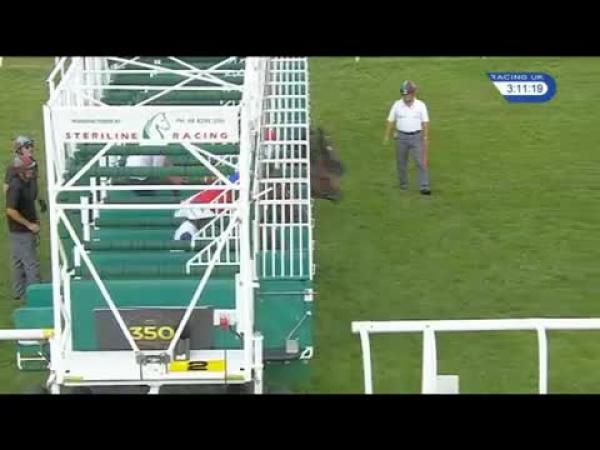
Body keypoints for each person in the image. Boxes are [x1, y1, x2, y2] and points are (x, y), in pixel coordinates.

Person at [6, 137, 42, 301]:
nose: (33, 173)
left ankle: (19, 293)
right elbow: (10, 210)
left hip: (19, 227)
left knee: (18, 261)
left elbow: (32, 193)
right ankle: (36, 295)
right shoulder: (16, 186)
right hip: (21, 229)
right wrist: (29, 225)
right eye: (30, 170)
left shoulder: (26, 180)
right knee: (30, 263)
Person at [383, 80, 431, 195]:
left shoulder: (421, 105)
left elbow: (425, 122)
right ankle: (403, 183)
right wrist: (387, 135)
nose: (406, 97)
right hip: (401, 137)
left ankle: (424, 186)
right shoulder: (397, 105)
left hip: (417, 137)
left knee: (420, 161)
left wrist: (425, 137)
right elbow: (390, 120)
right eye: (404, 95)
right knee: (401, 162)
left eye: (408, 94)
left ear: (413, 93)